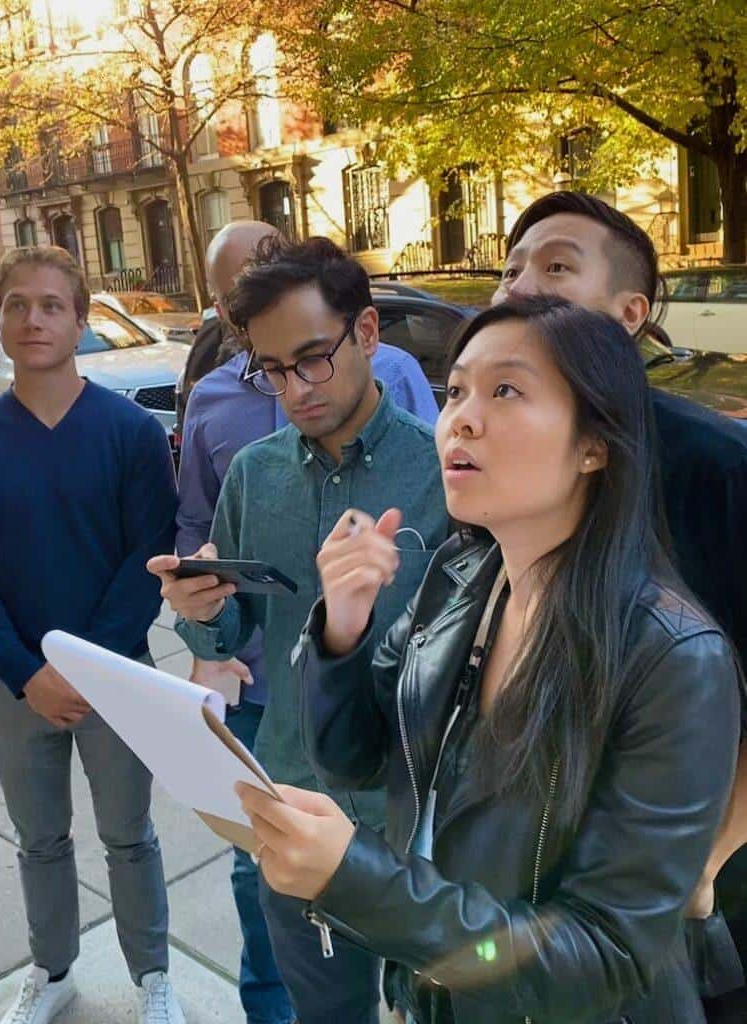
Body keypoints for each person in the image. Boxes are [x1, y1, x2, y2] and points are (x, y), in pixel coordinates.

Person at [239, 297, 743, 1024]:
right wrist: (341, 632)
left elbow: (605, 958)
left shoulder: (674, 661)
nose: (461, 419)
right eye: (458, 391)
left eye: (506, 390)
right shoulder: (461, 577)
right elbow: (353, 760)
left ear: (594, 444)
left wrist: (358, 880)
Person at [149, 235, 448, 1024]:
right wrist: (205, 614)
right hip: (291, 796)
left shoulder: (445, 475)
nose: (295, 389)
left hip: (422, 812)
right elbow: (237, 632)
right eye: (273, 369)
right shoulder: (255, 472)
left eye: (313, 358)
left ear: (369, 334)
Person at [490, 192, 747, 1023]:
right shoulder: (493, 468)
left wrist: (705, 859)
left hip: (696, 897)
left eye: (557, 266)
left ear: (630, 313)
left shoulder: (717, 467)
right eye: (510, 268)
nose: (521, 284)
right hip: (537, 885)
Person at [0, 247, 183, 1024]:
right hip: (14, 685)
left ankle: (153, 979)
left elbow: (146, 560)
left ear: (80, 319)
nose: (33, 319)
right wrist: (26, 672)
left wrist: (90, 668)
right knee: (40, 841)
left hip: (118, 679)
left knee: (129, 838)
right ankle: (53, 969)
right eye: (17, 305)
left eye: (50, 305)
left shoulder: (132, 434)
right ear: (0, 320)